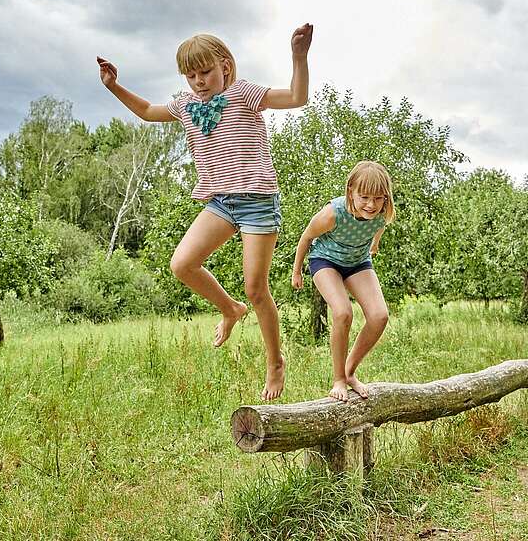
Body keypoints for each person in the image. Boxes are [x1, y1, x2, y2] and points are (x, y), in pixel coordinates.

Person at [97, 23, 313, 401]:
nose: (198, 81)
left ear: (225, 66)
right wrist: (114, 86)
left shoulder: (244, 94)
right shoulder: (185, 105)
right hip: (220, 202)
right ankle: (230, 309)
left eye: (205, 72)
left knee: (257, 289)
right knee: (182, 264)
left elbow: (296, 98)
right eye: (191, 75)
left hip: (257, 200)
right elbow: (148, 111)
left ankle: (275, 361)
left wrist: (298, 56)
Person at [292, 161, 394, 402]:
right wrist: (297, 271)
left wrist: (375, 244)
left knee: (379, 316)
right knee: (342, 313)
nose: (371, 204)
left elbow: (378, 227)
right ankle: (338, 379)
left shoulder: (381, 214)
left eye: (378, 198)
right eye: (364, 197)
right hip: (325, 261)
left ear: (385, 199)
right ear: (351, 191)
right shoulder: (332, 213)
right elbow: (306, 238)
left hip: (357, 262)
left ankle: (349, 372)